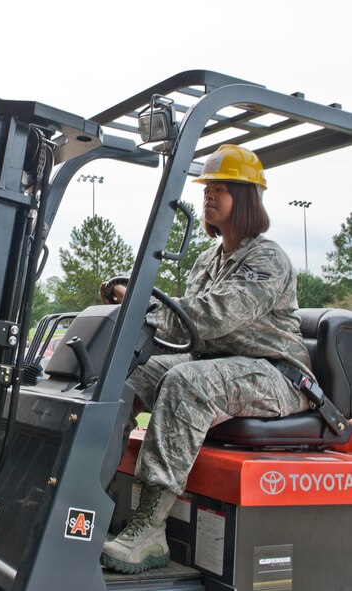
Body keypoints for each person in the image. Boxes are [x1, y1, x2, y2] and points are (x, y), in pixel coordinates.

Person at [99, 144, 312, 574]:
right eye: (207, 188)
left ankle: (150, 531)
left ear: (247, 198)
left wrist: (143, 306)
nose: (209, 196)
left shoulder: (267, 258)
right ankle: (88, 489)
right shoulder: (206, 260)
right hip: (223, 365)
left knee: (188, 382)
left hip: (276, 374)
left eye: (221, 189)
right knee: (129, 372)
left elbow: (212, 316)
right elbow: (189, 328)